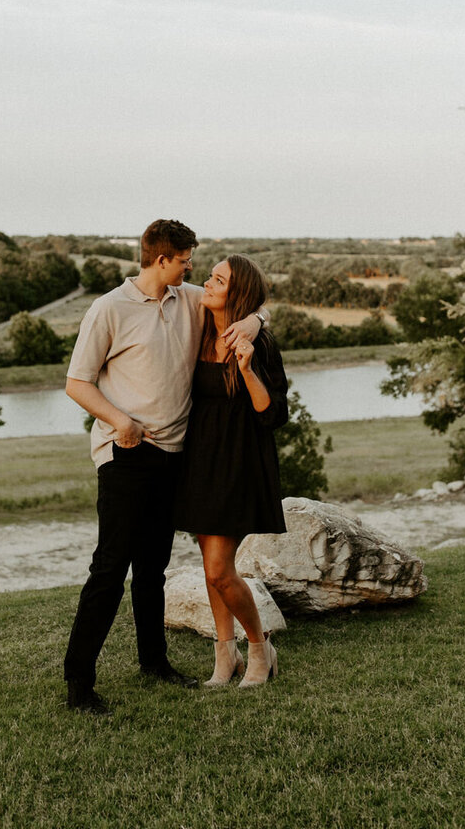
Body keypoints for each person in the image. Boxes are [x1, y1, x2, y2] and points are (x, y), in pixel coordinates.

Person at [63, 220, 267, 714]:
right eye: (185, 259)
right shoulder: (108, 309)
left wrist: (255, 322)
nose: (192, 267)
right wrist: (121, 422)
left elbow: (247, 301)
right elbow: (77, 382)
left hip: (175, 457)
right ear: (162, 260)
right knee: (110, 569)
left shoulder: (189, 298)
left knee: (152, 569)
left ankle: (154, 662)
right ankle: (78, 685)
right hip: (126, 453)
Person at [174, 254, 288, 688]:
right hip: (199, 462)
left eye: (217, 280)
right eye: (210, 276)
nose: (207, 282)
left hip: (239, 464)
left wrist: (246, 368)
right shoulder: (201, 323)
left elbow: (273, 414)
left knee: (221, 569)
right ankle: (226, 657)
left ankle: (260, 648)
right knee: (209, 570)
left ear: (235, 293)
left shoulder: (259, 343)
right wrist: (258, 314)